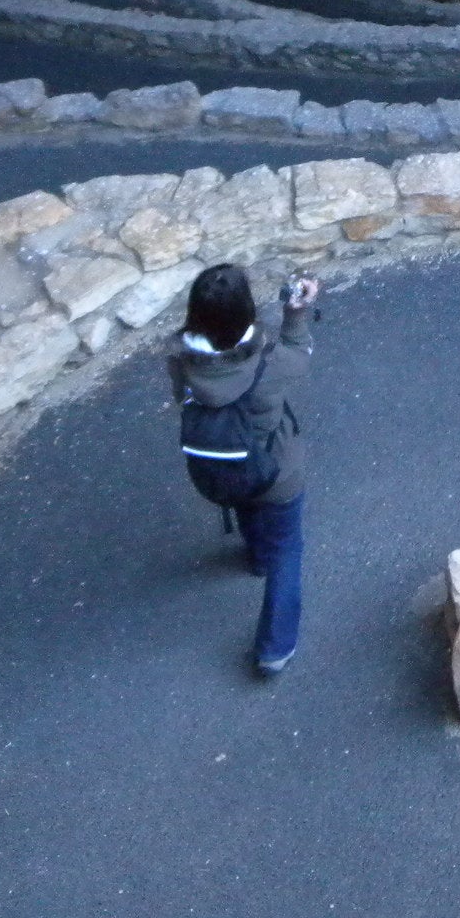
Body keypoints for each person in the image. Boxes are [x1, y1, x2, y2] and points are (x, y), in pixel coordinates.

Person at [168, 264, 318, 677]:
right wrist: (297, 311)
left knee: (247, 506)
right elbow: (301, 353)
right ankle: (274, 649)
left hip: (219, 469)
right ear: (246, 313)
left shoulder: (181, 362)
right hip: (277, 471)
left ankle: (256, 557)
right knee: (288, 548)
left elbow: (180, 399)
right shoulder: (271, 364)